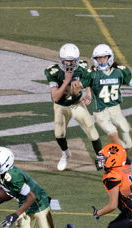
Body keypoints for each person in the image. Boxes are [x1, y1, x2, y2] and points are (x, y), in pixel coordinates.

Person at [44, 43, 103, 171]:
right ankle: (66, 154)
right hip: (61, 106)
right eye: (67, 61)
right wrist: (66, 81)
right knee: (59, 134)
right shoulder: (53, 71)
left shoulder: (82, 67)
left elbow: (88, 79)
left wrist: (88, 93)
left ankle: (101, 157)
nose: (70, 64)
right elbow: (56, 97)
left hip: (77, 104)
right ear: (61, 60)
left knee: (91, 129)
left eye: (72, 61)